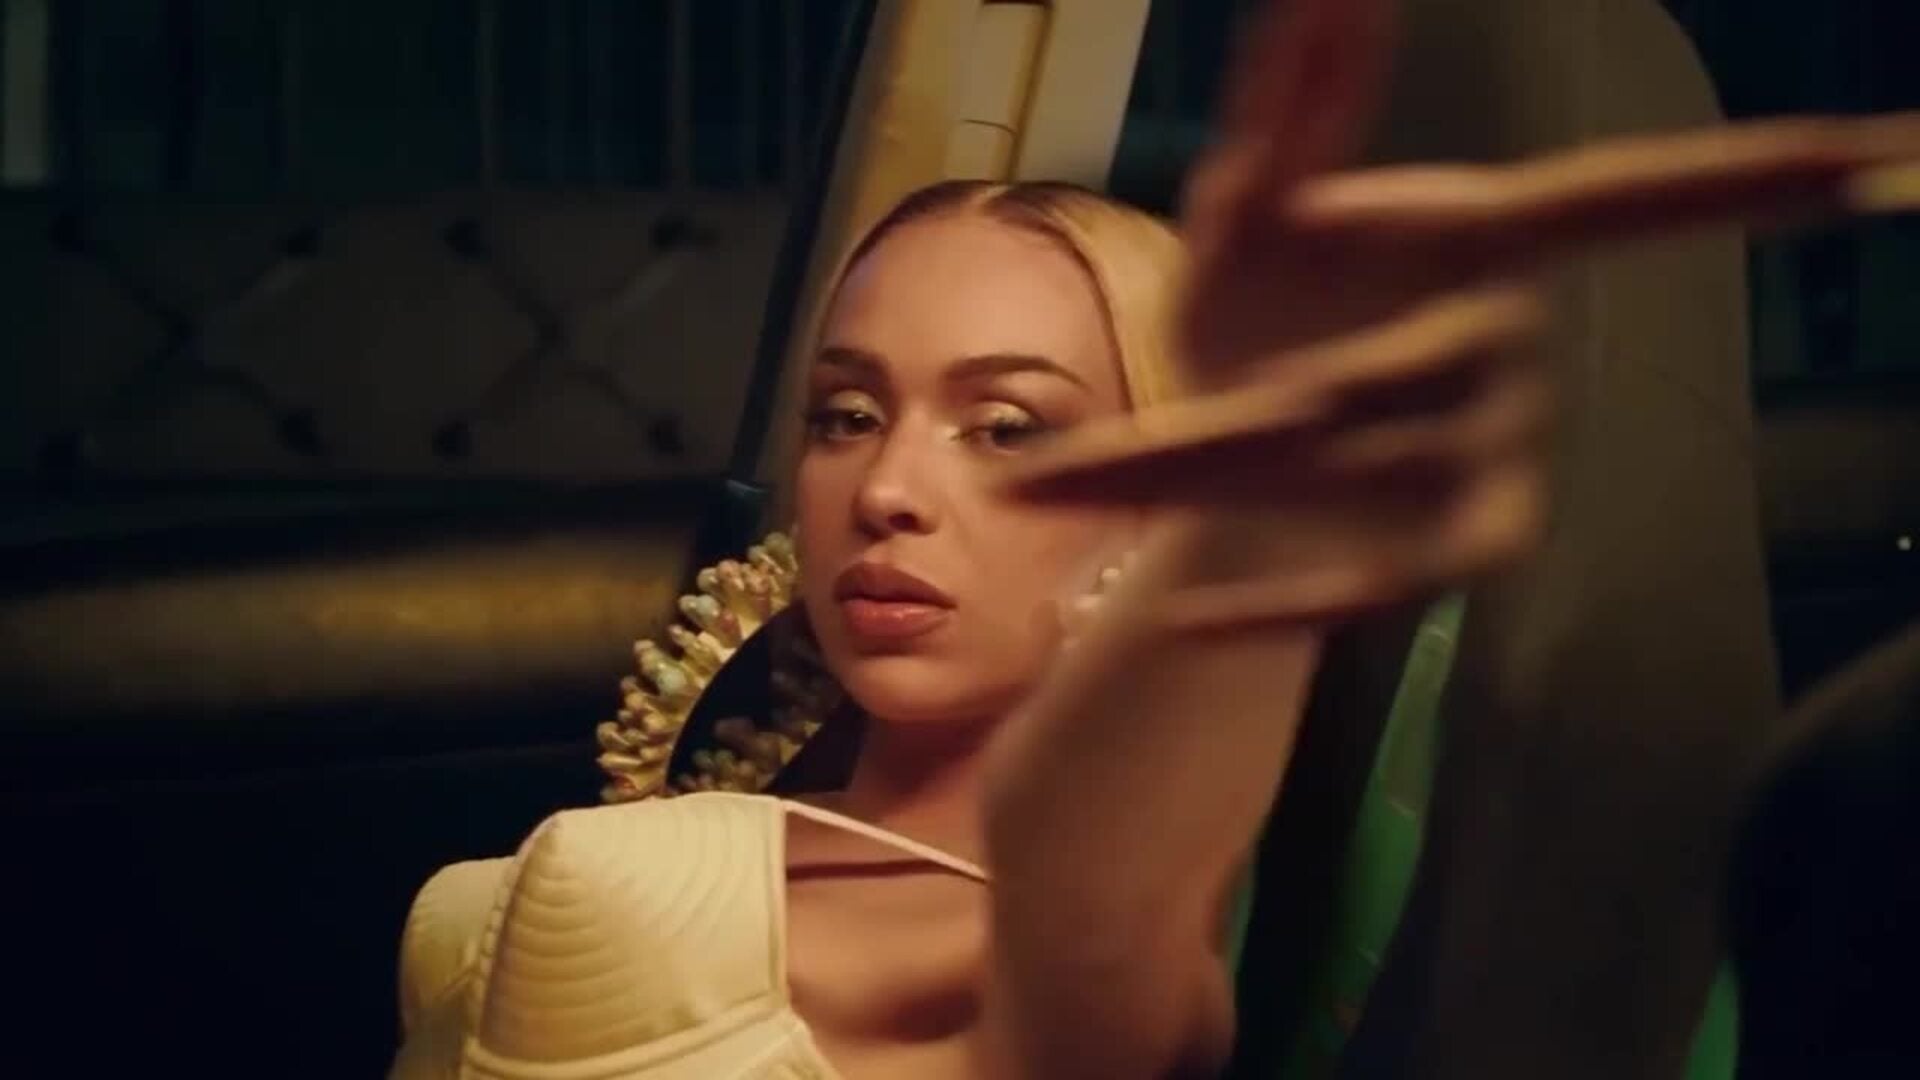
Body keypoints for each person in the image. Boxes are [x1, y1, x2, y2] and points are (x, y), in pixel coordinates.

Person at [389, 1, 1920, 1077]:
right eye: (848, 413)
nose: (891, 487)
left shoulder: (1070, 956)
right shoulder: (704, 851)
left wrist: (1249, 549)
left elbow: (1098, 952)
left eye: (1010, 429)